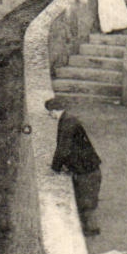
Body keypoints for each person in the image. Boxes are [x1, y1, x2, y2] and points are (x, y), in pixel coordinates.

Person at [49, 99, 102, 236]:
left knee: (87, 200)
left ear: (54, 111)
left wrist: (55, 168)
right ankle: (88, 227)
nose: (50, 116)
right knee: (85, 198)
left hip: (86, 170)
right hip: (86, 167)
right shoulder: (68, 119)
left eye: (50, 112)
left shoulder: (67, 123)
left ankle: (92, 229)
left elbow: (63, 148)